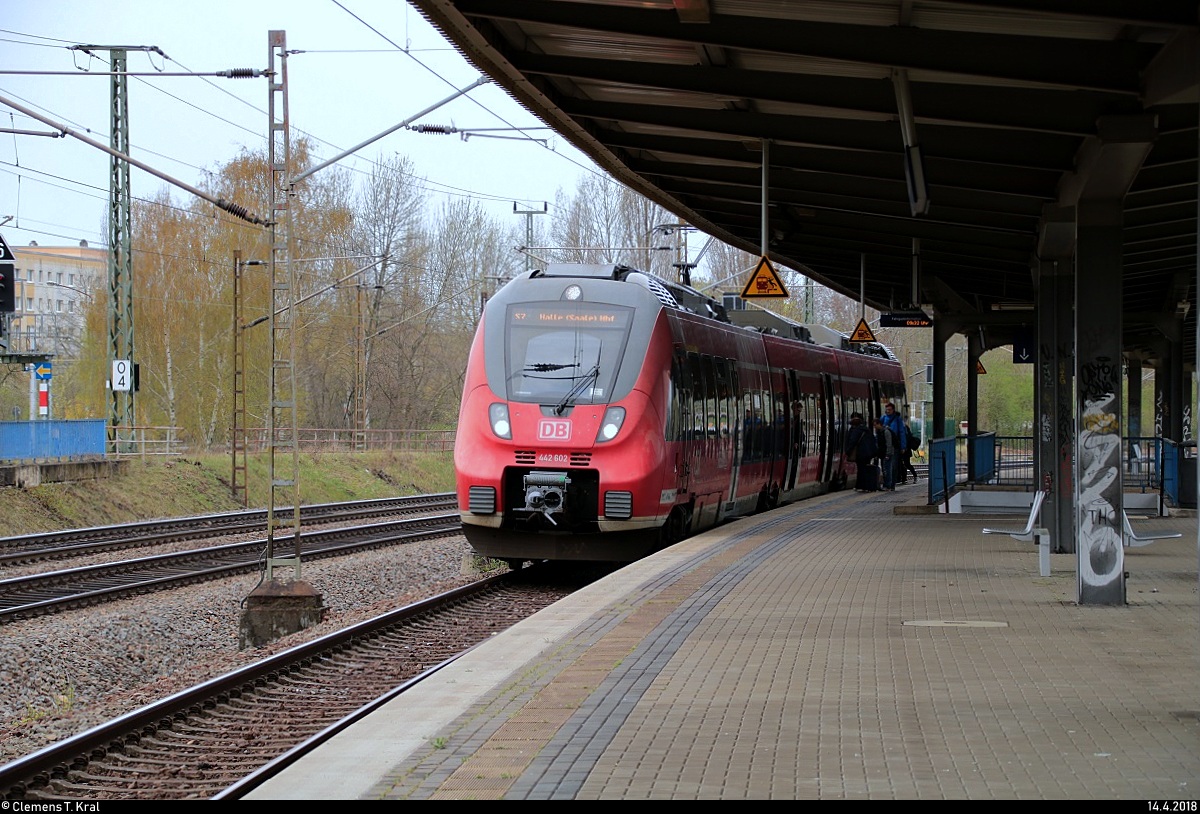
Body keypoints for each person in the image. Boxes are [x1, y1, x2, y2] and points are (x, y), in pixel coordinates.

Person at [844, 412, 877, 491]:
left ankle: (861, 486)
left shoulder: (856, 430)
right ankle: (866, 486)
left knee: (861, 469)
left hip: (860, 453)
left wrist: (847, 451)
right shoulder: (867, 430)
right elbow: (873, 441)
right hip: (868, 454)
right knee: (865, 469)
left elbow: (852, 441)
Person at [880, 402, 907, 489]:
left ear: (893, 410)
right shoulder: (883, 418)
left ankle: (892, 484)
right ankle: (887, 483)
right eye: (886, 410)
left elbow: (902, 433)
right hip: (885, 446)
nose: (888, 411)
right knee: (885, 465)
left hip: (895, 446)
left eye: (889, 410)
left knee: (893, 465)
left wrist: (903, 446)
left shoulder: (898, 420)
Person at [873, 416, 897, 491]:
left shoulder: (886, 431)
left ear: (879, 424)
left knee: (888, 469)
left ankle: (888, 485)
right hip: (883, 453)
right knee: (885, 469)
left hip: (887, 454)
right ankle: (887, 485)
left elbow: (889, 444)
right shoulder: (879, 432)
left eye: (875, 425)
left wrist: (888, 454)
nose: (874, 427)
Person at [901, 414, 919, 483]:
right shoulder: (905, 429)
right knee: (904, 464)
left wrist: (904, 447)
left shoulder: (905, 429)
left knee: (906, 464)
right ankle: (904, 479)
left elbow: (907, 439)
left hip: (906, 450)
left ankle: (914, 476)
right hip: (904, 449)